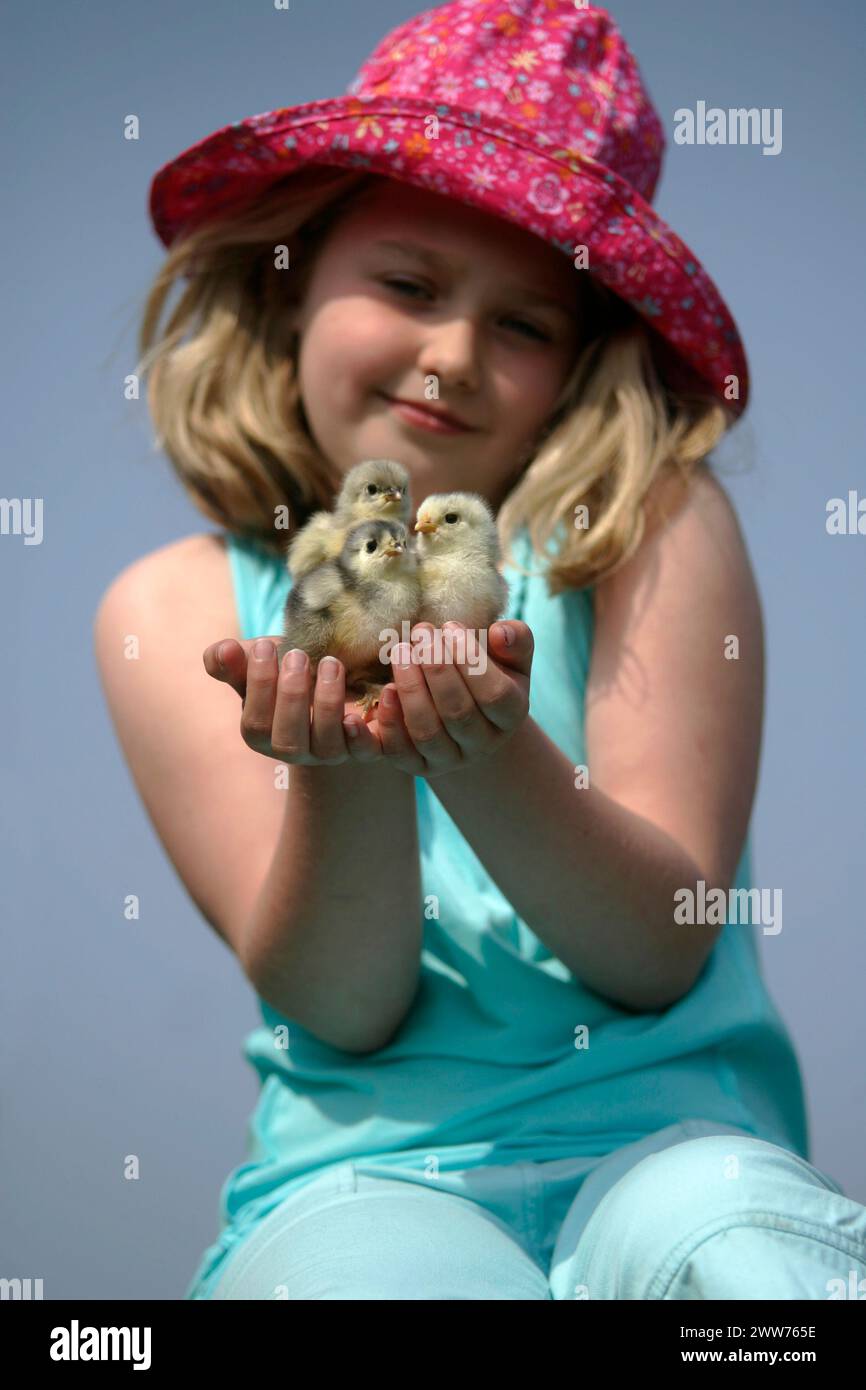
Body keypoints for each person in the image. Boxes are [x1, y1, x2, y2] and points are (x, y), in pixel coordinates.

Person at [95, 0, 866, 1299]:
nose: (451, 355)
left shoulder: (645, 527)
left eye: (524, 324)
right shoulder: (169, 609)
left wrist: (486, 745)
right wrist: (346, 762)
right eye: (407, 285)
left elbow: (659, 940)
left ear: (582, 366)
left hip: (668, 1141)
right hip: (363, 1174)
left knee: (745, 1258)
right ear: (289, 284)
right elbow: (340, 1002)